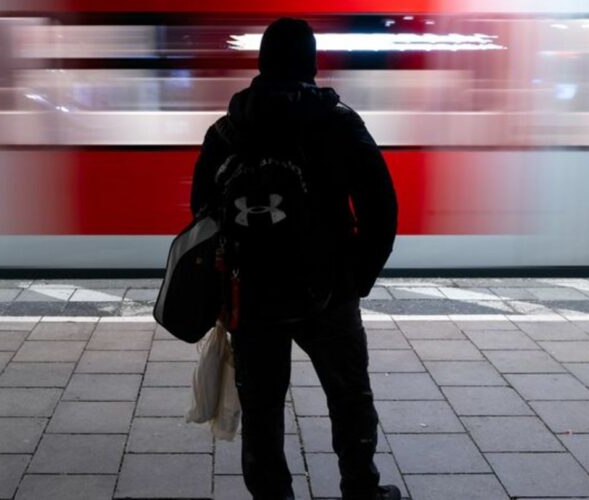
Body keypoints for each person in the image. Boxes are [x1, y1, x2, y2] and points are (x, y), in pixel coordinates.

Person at [189, 17, 400, 500]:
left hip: (253, 293)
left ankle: (272, 495)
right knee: (348, 395)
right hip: (326, 290)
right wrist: (354, 278)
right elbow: (381, 209)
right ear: (312, 62)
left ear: (261, 64)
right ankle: (360, 488)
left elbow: (202, 211)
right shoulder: (340, 123)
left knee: (262, 406)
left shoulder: (226, 130)